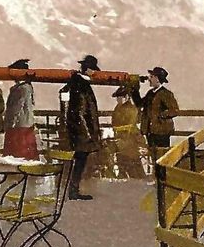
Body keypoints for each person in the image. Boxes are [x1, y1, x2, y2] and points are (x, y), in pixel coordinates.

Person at [62, 55, 103, 201]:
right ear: (88, 69)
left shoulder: (76, 82)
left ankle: (73, 189)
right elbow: (80, 112)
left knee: (79, 161)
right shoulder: (81, 84)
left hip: (78, 130)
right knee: (80, 161)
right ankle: (73, 190)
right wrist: (87, 134)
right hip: (82, 132)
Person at [130, 66, 180, 163]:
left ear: (157, 79)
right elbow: (139, 104)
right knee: (153, 158)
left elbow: (175, 110)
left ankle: (162, 173)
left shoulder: (166, 93)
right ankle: (156, 172)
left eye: (151, 77)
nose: (149, 79)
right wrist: (134, 90)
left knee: (162, 157)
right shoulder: (150, 93)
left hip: (161, 131)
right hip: (150, 131)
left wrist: (160, 115)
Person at [2, 59, 39, 159]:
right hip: (24, 125)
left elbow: (16, 108)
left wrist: (9, 123)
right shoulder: (26, 87)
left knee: (18, 153)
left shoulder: (22, 88)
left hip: (19, 126)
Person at [110, 86, 146, 178]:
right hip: (120, 136)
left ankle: (139, 177)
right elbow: (114, 122)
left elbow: (130, 124)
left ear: (126, 97)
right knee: (121, 158)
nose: (118, 99)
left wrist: (120, 130)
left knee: (131, 158)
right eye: (117, 97)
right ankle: (123, 175)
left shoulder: (131, 109)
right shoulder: (117, 108)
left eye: (120, 97)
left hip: (130, 137)